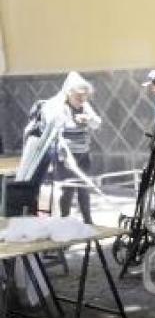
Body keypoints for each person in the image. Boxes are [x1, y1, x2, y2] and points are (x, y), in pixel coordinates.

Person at [44, 72, 102, 223]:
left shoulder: (85, 106)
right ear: (69, 93)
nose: (82, 99)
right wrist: (71, 121)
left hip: (83, 154)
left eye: (85, 96)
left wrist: (89, 119)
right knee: (67, 190)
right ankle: (64, 222)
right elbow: (56, 130)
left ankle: (88, 221)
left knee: (84, 189)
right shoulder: (61, 108)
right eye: (78, 96)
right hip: (66, 156)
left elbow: (97, 123)